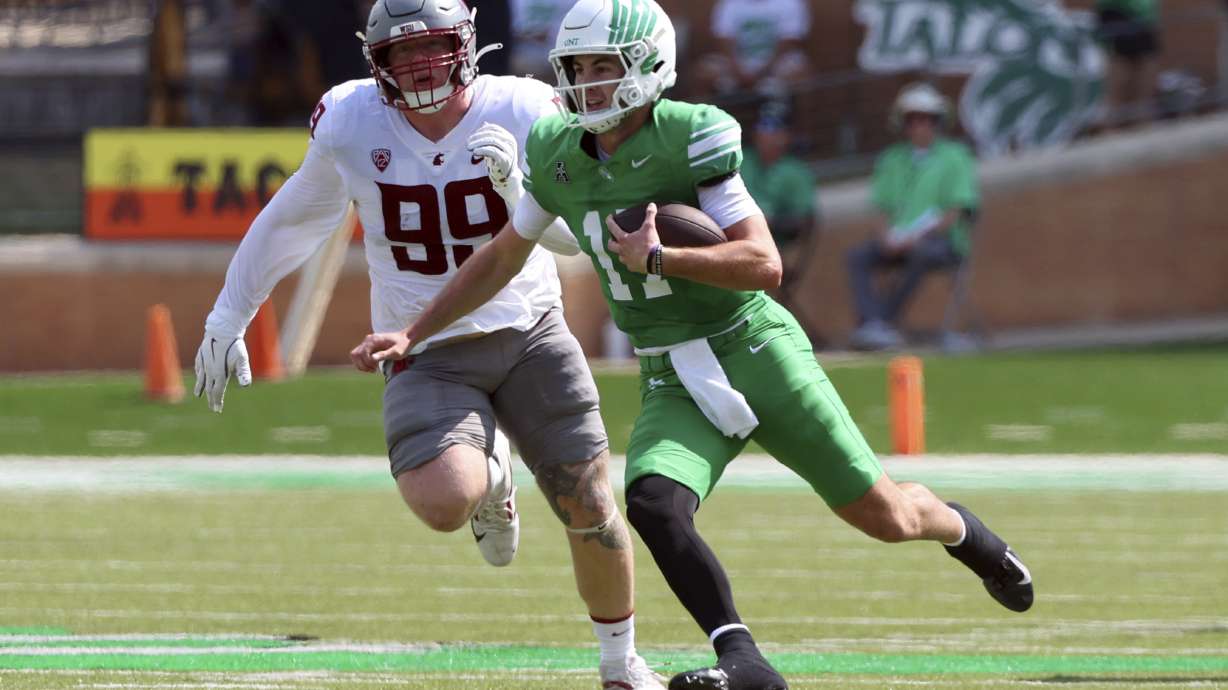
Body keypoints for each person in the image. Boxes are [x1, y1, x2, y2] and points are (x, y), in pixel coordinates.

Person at [351, 2, 1034, 689]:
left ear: (648, 65)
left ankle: (964, 532)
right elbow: (503, 255)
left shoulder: (692, 133)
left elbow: (764, 263)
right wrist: (414, 330)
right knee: (652, 501)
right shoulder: (558, 148)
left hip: (752, 348)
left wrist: (662, 259)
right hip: (670, 369)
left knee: (885, 515)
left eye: (604, 66)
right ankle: (744, 661)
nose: (587, 83)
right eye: (577, 68)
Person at [192, 1, 663, 687]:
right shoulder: (352, 121)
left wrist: (519, 190)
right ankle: (493, 475)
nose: (419, 65)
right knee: (444, 502)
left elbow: (580, 241)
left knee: (589, 504)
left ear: (465, 43)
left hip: (529, 329)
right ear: (376, 61)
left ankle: (620, 664)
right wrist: (228, 315)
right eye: (401, 53)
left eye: (432, 47)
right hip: (424, 344)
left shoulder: (525, 108)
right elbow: (296, 216)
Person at [846, 82, 979, 352]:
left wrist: (915, 238)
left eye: (926, 119)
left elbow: (955, 211)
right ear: (903, 124)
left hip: (941, 242)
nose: (919, 126)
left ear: (937, 122)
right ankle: (872, 323)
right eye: (912, 119)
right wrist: (885, 237)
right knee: (857, 256)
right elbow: (881, 209)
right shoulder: (891, 159)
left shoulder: (956, 157)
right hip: (895, 240)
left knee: (920, 253)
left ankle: (882, 322)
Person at [695, 0, 811, 100]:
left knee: (801, 73)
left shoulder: (790, 3)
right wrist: (738, 70)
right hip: (737, 63)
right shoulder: (730, 3)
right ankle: (707, 118)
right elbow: (723, 38)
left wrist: (765, 70)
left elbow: (790, 40)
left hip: (777, 62)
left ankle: (781, 115)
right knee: (704, 72)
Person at [1095, 0, 1161, 128]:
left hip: (1145, 26)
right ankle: (1111, 127)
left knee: (1145, 81)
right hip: (1118, 18)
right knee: (1118, 82)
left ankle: (1142, 123)